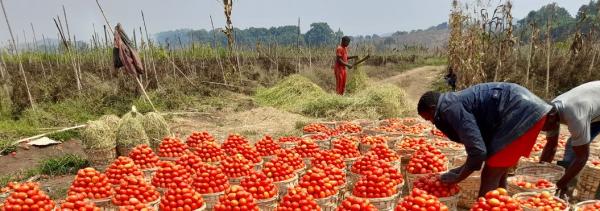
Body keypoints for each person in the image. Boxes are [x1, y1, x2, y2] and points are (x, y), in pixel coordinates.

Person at [417, 82, 554, 197]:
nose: (432, 122)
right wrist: (461, 169)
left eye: (428, 118)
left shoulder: (450, 109)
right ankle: (501, 204)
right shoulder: (450, 103)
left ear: (433, 109)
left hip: (521, 113)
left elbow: (478, 151)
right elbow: (481, 145)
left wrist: (459, 177)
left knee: (490, 174)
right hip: (527, 110)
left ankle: (485, 206)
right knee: (499, 168)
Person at [539, 81, 600, 196]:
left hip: (590, 106)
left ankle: (566, 186)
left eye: (543, 126)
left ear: (552, 119)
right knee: (573, 146)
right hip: (592, 106)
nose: (542, 130)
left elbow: (582, 157)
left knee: (576, 148)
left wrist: (558, 185)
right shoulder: (550, 111)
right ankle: (566, 185)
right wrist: (540, 173)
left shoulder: (576, 115)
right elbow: (551, 146)